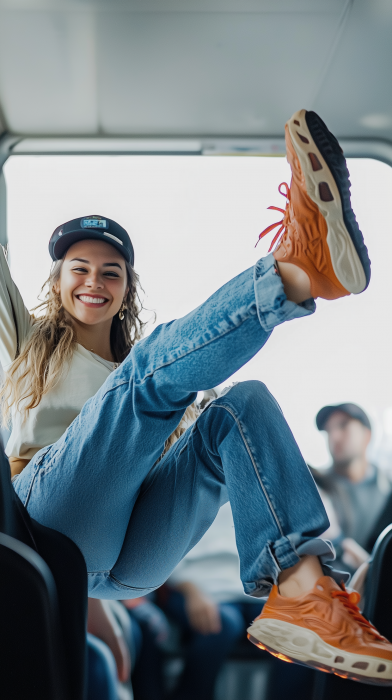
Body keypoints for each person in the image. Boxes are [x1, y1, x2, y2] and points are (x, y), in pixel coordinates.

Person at [1, 108, 391, 685]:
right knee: (142, 378)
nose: (93, 281)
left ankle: (305, 593)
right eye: (79, 269)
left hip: (133, 556)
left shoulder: (160, 374)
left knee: (242, 404)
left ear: (126, 288)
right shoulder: (31, 339)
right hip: (49, 519)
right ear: (56, 283)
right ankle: (296, 273)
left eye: (111, 272)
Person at [163, 500, 265, 700]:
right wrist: (191, 590)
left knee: (292, 628)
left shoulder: (258, 493)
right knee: (221, 624)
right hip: (196, 587)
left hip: (252, 591)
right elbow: (161, 551)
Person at [312, 403, 391, 573]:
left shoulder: (388, 489)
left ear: (367, 435)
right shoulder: (316, 488)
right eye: (328, 431)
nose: (334, 436)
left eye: (343, 426)